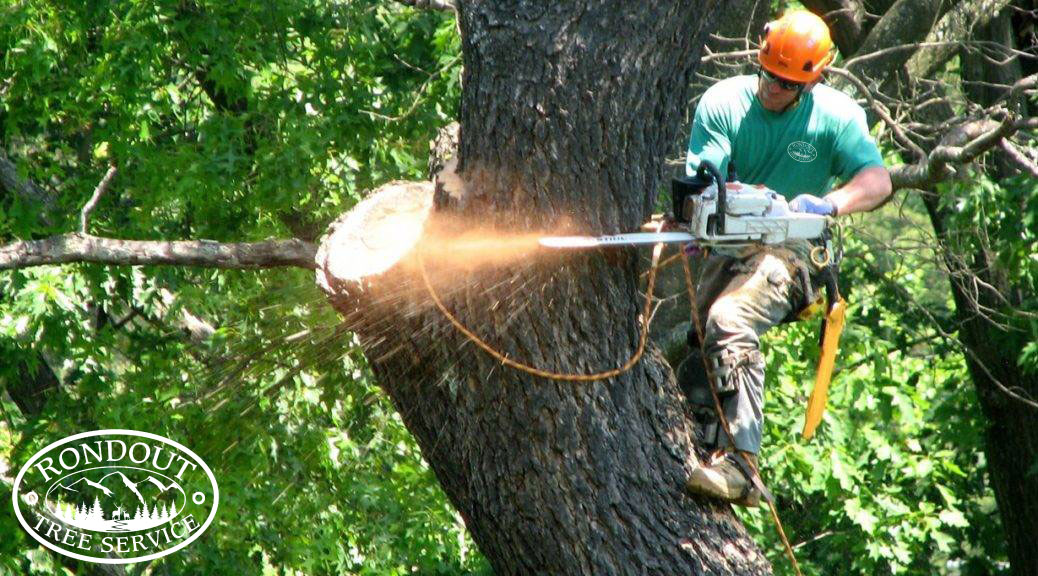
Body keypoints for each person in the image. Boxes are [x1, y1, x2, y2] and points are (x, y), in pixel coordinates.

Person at [680, 10, 892, 506]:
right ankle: (703, 443)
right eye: (770, 76)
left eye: (787, 84)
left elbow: (878, 179)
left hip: (793, 253)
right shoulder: (724, 103)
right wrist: (703, 211)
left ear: (811, 80)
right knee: (697, 346)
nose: (774, 89)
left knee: (730, 319)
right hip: (731, 244)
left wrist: (831, 203)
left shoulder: (835, 116)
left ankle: (743, 467)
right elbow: (703, 178)